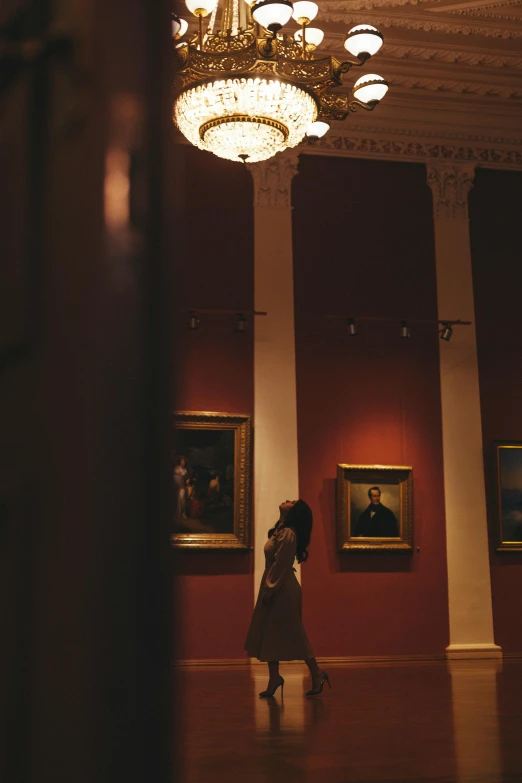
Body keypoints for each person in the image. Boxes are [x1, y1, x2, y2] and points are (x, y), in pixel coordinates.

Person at [244, 499, 331, 698]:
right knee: (269, 632)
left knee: (295, 632)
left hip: (281, 587)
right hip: (275, 585)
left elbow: (281, 565)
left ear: (295, 512)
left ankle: (317, 672)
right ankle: (274, 677)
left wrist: (270, 589)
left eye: (292, 501)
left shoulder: (288, 534)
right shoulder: (280, 530)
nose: (286, 500)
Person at [173, 456, 188, 520]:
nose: (183, 462)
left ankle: (183, 513)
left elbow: (185, 480)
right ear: (180, 461)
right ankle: (178, 514)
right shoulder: (176, 468)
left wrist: (182, 486)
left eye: (184, 461)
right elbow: (174, 476)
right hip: (175, 486)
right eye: (182, 461)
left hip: (182, 487)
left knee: (182, 499)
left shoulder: (185, 470)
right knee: (177, 500)